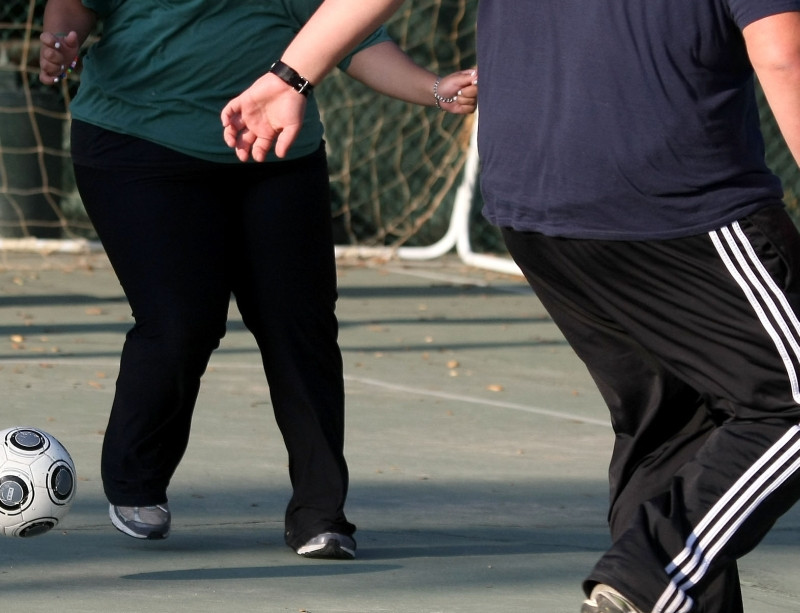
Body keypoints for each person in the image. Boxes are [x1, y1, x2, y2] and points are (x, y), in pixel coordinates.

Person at [220, 0, 800, 610]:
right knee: (782, 404)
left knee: (672, 425)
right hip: (671, 204)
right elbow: (784, 56)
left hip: (536, 204)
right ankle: (652, 574)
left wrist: (287, 76)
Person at [37, 0, 477, 559]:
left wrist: (437, 89)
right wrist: (62, 40)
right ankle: (136, 482)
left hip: (277, 151)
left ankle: (321, 512)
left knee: (300, 325)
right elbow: (73, 6)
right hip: (137, 148)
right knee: (181, 323)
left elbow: (354, 34)